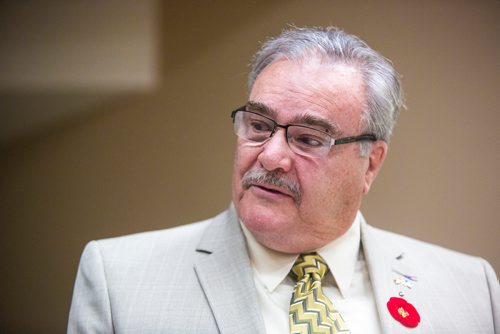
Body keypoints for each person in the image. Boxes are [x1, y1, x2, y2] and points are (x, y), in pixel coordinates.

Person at [68, 26, 499, 333]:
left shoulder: (471, 290)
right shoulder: (118, 280)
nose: (271, 156)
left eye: (309, 138)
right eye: (258, 125)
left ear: (370, 164)